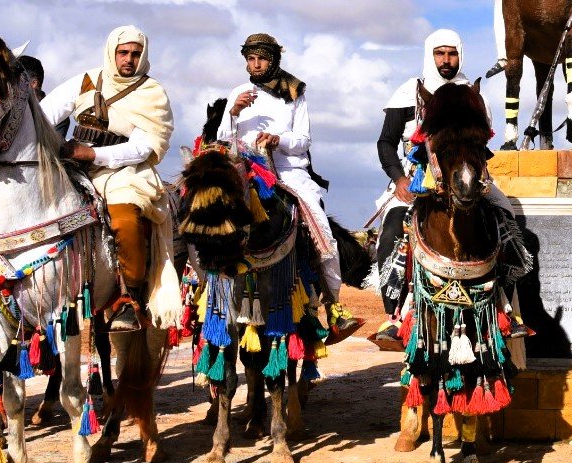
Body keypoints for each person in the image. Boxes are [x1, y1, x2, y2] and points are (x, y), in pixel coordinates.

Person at [372, 28, 515, 348]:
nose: (446, 60)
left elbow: (483, 142)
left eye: (452, 53)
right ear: (429, 55)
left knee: (505, 219)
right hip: (416, 176)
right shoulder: (409, 93)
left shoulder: (471, 93)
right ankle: (394, 314)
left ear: (460, 54)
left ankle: (506, 308)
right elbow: (386, 142)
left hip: (466, 173)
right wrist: (399, 180)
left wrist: (484, 174)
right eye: (440, 53)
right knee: (394, 226)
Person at [41, 26, 178, 331]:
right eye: (123, 52)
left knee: (125, 217)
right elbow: (44, 114)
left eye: (135, 53)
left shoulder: (151, 93)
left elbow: (144, 146)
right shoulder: (88, 80)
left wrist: (94, 156)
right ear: (111, 52)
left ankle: (129, 296)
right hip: (73, 164)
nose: (129, 59)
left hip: (123, 171)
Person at [216, 32, 352, 335]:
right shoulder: (239, 91)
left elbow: (303, 139)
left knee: (321, 229)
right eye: (250, 59)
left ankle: (333, 305)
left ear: (273, 59)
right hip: (246, 168)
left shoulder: (295, 91)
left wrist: (278, 139)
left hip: (288, 171)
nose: (256, 65)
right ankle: (211, 298)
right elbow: (224, 138)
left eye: (261, 59)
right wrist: (234, 112)